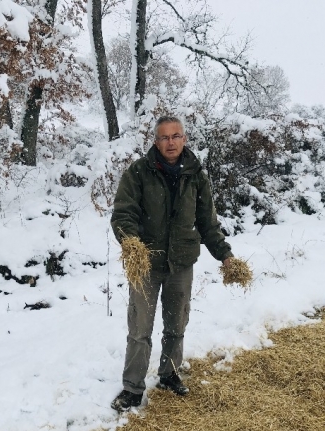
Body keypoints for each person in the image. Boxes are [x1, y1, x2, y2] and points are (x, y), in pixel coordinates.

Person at [110, 116, 233, 412]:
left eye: (176, 136)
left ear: (184, 139)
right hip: (147, 264)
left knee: (177, 324)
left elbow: (207, 221)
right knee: (140, 328)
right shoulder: (139, 172)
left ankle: (169, 374)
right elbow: (123, 214)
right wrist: (132, 244)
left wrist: (225, 255)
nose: (170, 142)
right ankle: (132, 388)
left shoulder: (196, 174)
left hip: (182, 262)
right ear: (155, 141)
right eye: (164, 137)